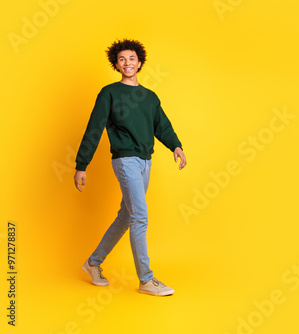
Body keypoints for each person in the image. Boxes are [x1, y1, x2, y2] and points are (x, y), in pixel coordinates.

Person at [74, 38, 186, 296]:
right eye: (122, 59)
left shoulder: (150, 97)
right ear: (116, 63)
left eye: (132, 58)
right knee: (140, 216)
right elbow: (94, 128)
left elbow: (162, 126)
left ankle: (93, 263)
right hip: (125, 160)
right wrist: (82, 164)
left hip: (146, 160)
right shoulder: (109, 93)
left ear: (140, 62)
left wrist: (176, 146)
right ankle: (146, 280)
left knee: (126, 216)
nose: (127, 63)